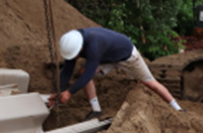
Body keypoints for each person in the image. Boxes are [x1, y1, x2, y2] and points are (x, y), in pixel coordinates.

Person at [52, 27, 183, 120]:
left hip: (127, 56)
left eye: (75, 55)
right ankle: (96, 110)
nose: (74, 58)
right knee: (82, 71)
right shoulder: (72, 43)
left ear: (80, 48)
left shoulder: (93, 44)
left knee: (149, 83)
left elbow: (89, 75)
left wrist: (69, 93)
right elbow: (67, 70)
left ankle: (177, 108)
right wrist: (60, 91)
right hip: (107, 57)